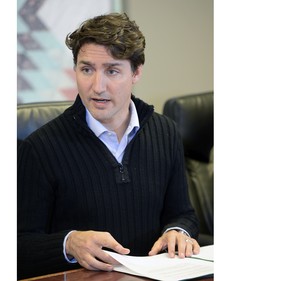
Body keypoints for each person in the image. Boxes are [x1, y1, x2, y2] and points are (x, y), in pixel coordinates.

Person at [17, 12, 200, 279]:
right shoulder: (39, 147)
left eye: (112, 71)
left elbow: (183, 213)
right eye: (86, 69)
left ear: (136, 72)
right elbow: (19, 247)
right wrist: (68, 243)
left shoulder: (165, 131)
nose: (97, 87)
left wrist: (179, 232)